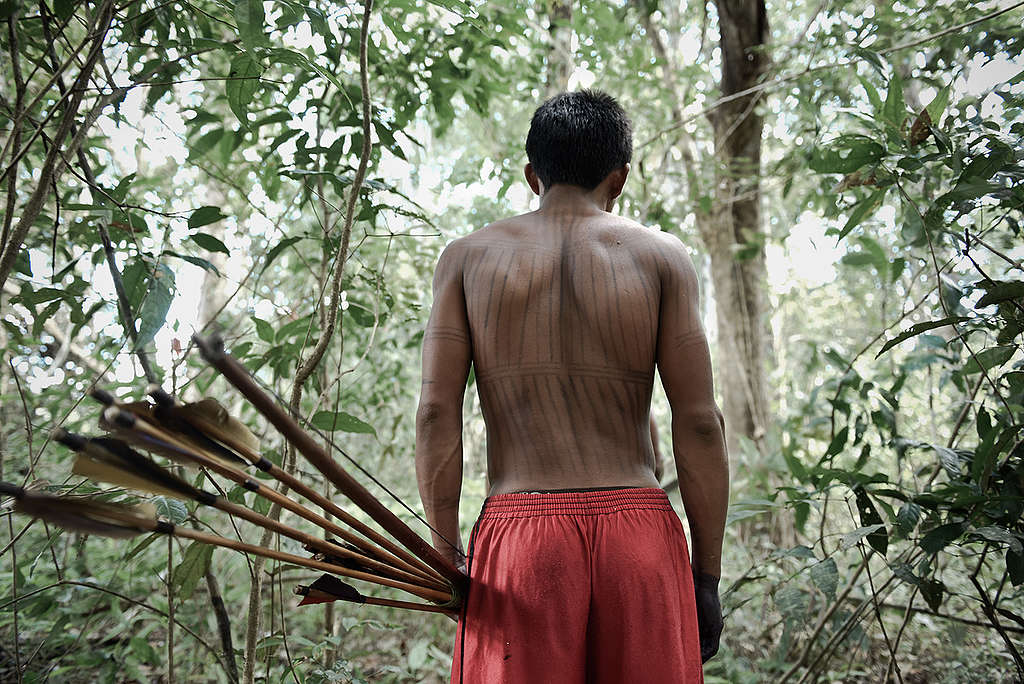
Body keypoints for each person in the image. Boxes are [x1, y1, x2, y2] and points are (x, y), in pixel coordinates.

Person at [415, 90, 729, 683]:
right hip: (638, 537)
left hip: (521, 536)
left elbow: (436, 413)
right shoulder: (662, 258)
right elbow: (700, 423)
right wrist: (705, 577)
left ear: (532, 174)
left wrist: (444, 550)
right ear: (620, 178)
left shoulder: (466, 259)